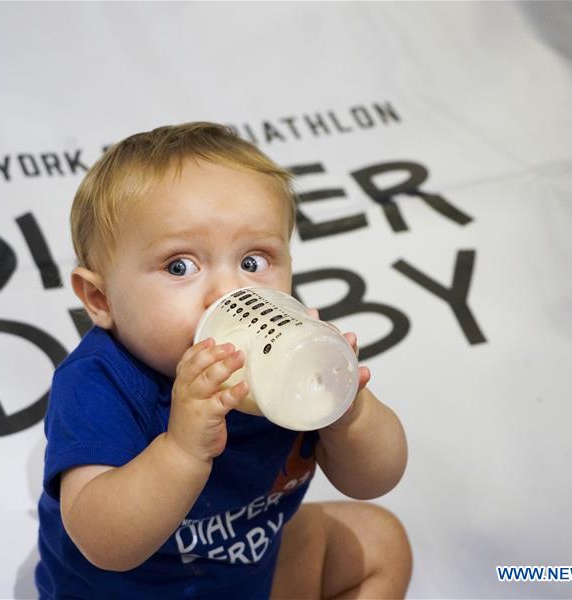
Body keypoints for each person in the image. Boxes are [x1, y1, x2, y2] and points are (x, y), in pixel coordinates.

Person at [36, 122, 411, 599]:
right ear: (101, 298)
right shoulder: (98, 383)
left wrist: (348, 411)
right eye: (180, 267)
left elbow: (375, 479)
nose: (232, 292)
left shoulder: (289, 356)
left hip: (247, 576)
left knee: (379, 544)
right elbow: (104, 543)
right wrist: (181, 450)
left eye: (254, 261)